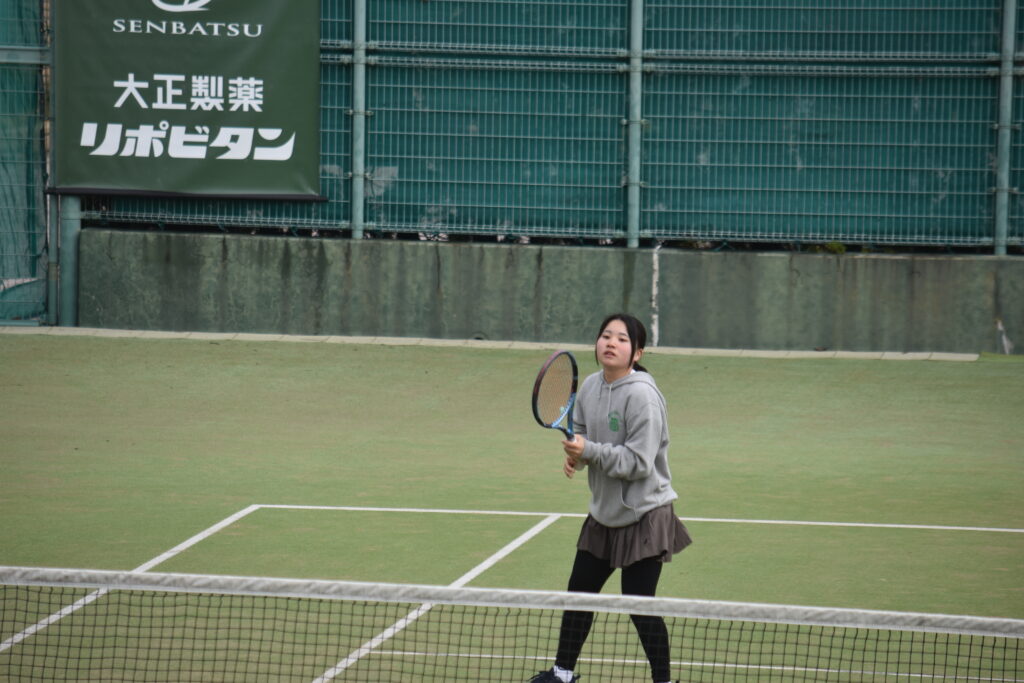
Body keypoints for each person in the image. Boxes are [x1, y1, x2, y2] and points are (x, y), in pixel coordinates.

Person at [529, 313, 692, 683]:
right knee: (579, 595)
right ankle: (562, 673)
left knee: (638, 604)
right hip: (604, 515)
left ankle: (664, 681)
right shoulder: (590, 386)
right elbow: (583, 431)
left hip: (645, 514)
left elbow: (639, 463)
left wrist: (589, 451)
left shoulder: (643, 397)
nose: (611, 343)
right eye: (605, 335)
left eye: (621, 338)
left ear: (637, 352)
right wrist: (577, 455)